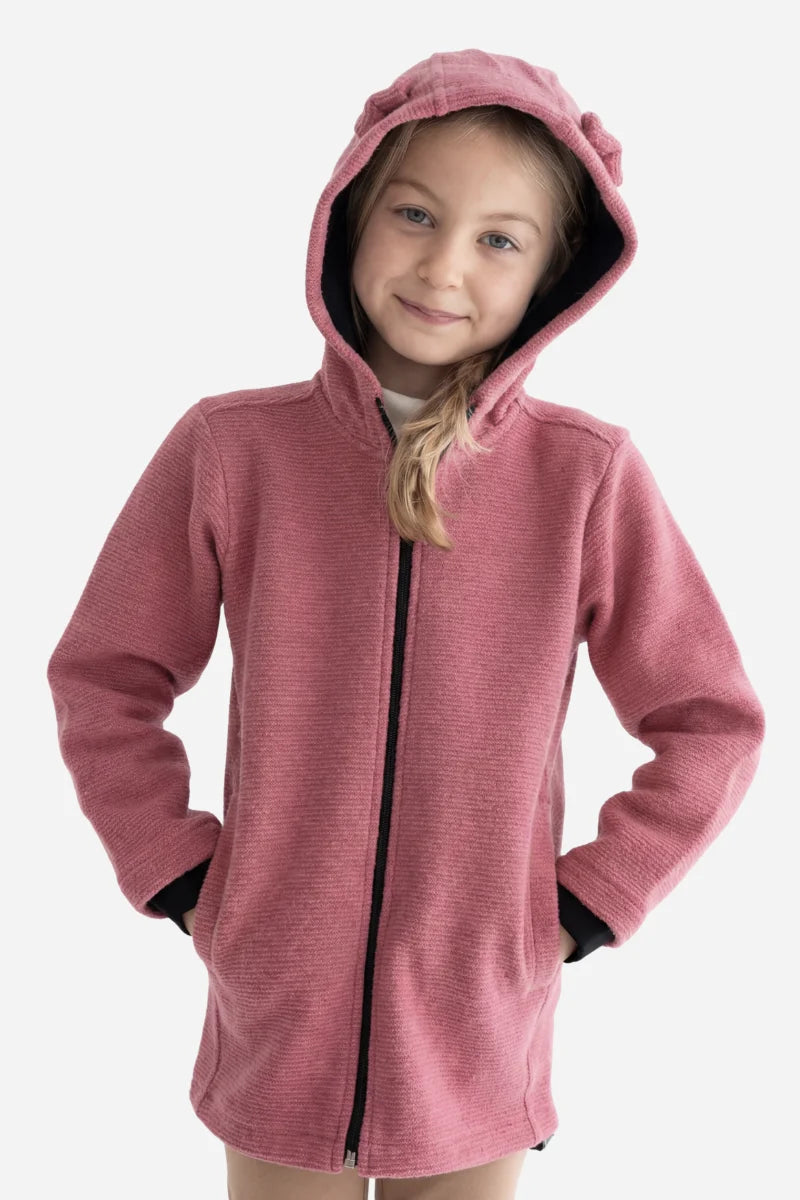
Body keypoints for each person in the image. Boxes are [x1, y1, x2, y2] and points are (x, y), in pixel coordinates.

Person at [46, 48, 766, 1200]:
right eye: (415, 215)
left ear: (552, 276)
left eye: (498, 240)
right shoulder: (234, 450)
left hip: (477, 1013)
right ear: (349, 217)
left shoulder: (583, 476)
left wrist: (584, 904)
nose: (443, 266)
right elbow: (105, 675)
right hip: (277, 1008)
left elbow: (710, 720)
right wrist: (180, 875)